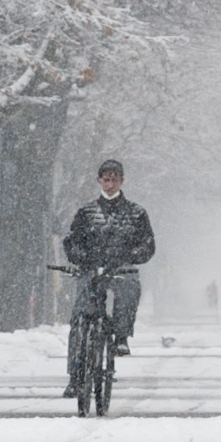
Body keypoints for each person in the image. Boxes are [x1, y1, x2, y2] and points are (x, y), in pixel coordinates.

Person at [62, 159, 155, 396]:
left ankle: (121, 336)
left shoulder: (136, 213)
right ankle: (75, 375)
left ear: (122, 181)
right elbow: (72, 242)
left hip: (121, 270)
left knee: (128, 289)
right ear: (99, 181)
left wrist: (129, 257)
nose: (110, 184)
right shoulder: (86, 213)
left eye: (114, 180)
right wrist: (82, 259)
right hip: (92, 270)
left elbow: (147, 245)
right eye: (106, 180)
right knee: (80, 319)